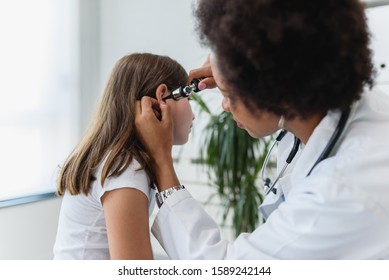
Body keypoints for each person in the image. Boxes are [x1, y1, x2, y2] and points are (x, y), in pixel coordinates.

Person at [135, 0, 389, 259]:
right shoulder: (345, 101)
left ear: (276, 91)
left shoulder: (339, 195)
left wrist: (161, 161)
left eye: (228, 95)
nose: (224, 106)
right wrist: (234, 69)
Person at [53, 53, 195, 259]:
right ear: (163, 96)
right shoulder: (125, 168)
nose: (194, 113)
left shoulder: (117, 160)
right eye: (189, 98)